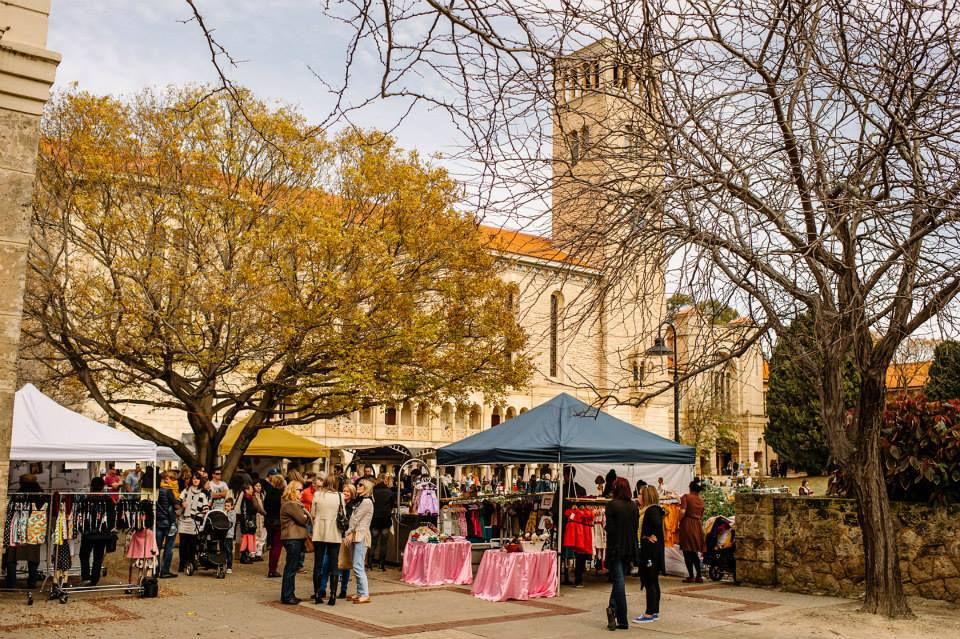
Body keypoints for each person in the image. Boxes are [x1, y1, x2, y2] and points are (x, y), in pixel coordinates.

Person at [604, 477, 639, 630]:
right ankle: (612, 609)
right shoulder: (633, 506)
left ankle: (622, 619)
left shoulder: (611, 505)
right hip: (629, 548)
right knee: (619, 580)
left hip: (616, 548)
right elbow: (635, 526)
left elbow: (610, 529)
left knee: (619, 582)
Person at [3, 473, 44, 589]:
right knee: (33, 558)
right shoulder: (41, 496)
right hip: (35, 529)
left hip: (17, 529)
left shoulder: (17, 496)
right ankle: (32, 583)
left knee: (11, 557)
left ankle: (11, 584)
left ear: (22, 483)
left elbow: (10, 512)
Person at [311, 473, 345, 605]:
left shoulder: (318, 495)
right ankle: (332, 596)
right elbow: (343, 514)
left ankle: (318, 594)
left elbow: (313, 513)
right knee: (334, 564)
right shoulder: (340, 496)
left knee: (318, 564)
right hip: (334, 532)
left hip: (319, 531)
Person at [634, 485, 665, 624]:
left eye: (640, 494)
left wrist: (648, 536)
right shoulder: (651, 510)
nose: (638, 497)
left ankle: (649, 613)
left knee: (650, 581)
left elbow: (656, 524)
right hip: (652, 551)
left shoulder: (651, 510)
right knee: (653, 581)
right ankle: (654, 611)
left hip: (651, 552)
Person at [279, 481, 309, 604]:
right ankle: (287, 596)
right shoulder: (291, 504)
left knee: (292, 567)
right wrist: (306, 516)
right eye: (299, 490)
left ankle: (289, 594)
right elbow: (302, 519)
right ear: (292, 491)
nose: (302, 492)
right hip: (292, 539)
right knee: (291, 568)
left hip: (294, 539)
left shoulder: (294, 504)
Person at [80, 477, 114, 585]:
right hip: (102, 533)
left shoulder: (86, 500)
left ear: (92, 486)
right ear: (103, 487)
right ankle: (94, 578)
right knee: (98, 557)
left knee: (84, 554)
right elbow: (112, 517)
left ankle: (86, 576)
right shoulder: (108, 500)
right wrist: (109, 529)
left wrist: (82, 529)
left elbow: (81, 516)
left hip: (88, 533)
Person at [346, 478, 374, 604]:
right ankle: (360, 592)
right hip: (357, 534)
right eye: (358, 484)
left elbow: (356, 519)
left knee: (358, 565)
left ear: (366, 488)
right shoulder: (361, 501)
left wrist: (349, 532)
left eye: (361, 485)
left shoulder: (366, 501)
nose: (358, 486)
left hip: (361, 535)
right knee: (357, 564)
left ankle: (364, 594)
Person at [177, 473, 209, 573]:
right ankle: (182, 564)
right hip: (184, 520)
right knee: (182, 545)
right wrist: (182, 504)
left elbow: (205, 506)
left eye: (198, 479)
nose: (195, 481)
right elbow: (178, 502)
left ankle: (191, 563)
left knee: (192, 545)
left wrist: (205, 510)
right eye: (194, 479)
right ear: (191, 480)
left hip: (195, 521)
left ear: (200, 481)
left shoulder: (202, 494)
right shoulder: (185, 491)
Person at [679, 481, 706, 583]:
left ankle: (691, 575)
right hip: (697, 525)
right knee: (694, 551)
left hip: (687, 524)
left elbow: (682, 512)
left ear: (690, 487)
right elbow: (702, 514)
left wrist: (678, 520)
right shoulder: (701, 500)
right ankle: (699, 575)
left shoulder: (686, 497)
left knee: (687, 551)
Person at [155, 470, 179, 579]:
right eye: (172, 479)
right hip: (169, 523)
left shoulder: (156, 490)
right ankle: (164, 571)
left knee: (157, 548)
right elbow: (176, 505)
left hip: (158, 522)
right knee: (169, 548)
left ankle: (155, 570)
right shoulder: (168, 491)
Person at [370, 474, 393, 571]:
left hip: (375, 519)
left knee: (373, 543)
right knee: (383, 543)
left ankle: (369, 564)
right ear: (385, 481)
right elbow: (392, 505)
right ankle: (381, 565)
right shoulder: (389, 491)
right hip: (385, 519)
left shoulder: (373, 491)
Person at [264, 474, 285, 578]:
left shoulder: (269, 493)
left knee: (272, 546)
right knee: (277, 547)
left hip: (269, 521)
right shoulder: (281, 495)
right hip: (278, 523)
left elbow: (265, 506)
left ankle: (271, 567)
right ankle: (272, 569)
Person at [238, 482, 264, 564]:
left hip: (249, 521)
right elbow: (245, 511)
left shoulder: (249, 498)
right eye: (251, 489)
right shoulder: (246, 499)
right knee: (246, 540)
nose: (252, 490)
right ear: (246, 490)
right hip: (247, 523)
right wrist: (247, 522)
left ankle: (246, 556)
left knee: (248, 539)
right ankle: (244, 557)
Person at [223, 497, 238, 574]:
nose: (226, 507)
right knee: (223, 550)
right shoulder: (224, 512)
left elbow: (230, 522)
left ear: (232, 506)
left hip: (229, 535)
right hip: (223, 535)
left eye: (228, 506)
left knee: (229, 551)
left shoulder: (233, 513)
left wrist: (225, 515)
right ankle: (222, 564)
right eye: (225, 506)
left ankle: (229, 567)